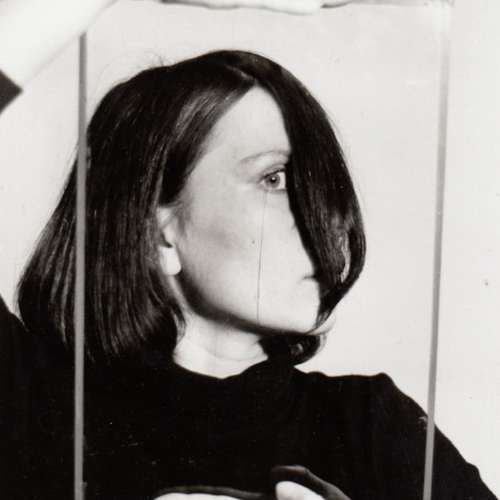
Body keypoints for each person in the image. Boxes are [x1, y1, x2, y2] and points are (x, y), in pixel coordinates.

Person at [0, 2, 497, 500]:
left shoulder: (373, 425)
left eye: (317, 183)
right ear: (158, 235)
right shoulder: (33, 407)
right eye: (273, 179)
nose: (322, 216)